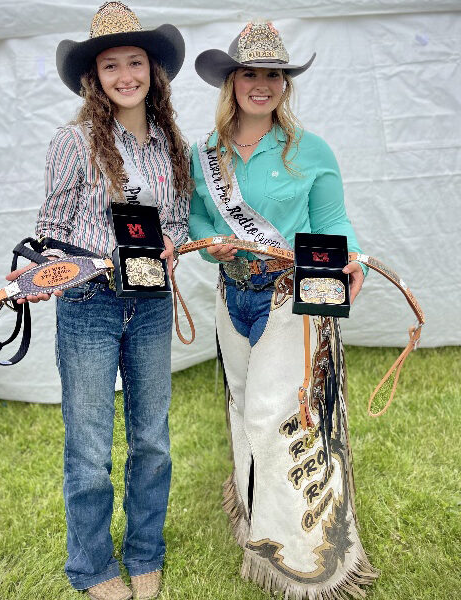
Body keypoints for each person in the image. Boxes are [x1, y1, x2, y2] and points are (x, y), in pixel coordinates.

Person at [6, 3, 191, 599]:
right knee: (88, 445)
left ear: (152, 71)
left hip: (152, 302)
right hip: (89, 303)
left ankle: (144, 553)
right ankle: (91, 567)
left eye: (135, 62)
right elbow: (52, 225)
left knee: (153, 440)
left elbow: (181, 220)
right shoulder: (74, 140)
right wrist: (82, 260)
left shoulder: (169, 144)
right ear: (96, 77)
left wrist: (171, 244)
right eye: (111, 65)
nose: (125, 75)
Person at [189, 20, 378, 600]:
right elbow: (196, 217)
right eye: (251, 73)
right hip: (232, 295)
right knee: (244, 409)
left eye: (273, 74)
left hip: (290, 298)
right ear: (232, 82)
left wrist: (357, 263)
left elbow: (333, 225)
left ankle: (302, 555)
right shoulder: (206, 155)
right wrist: (211, 239)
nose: (262, 84)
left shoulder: (311, 150)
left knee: (279, 418)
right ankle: (256, 520)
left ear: (285, 85)